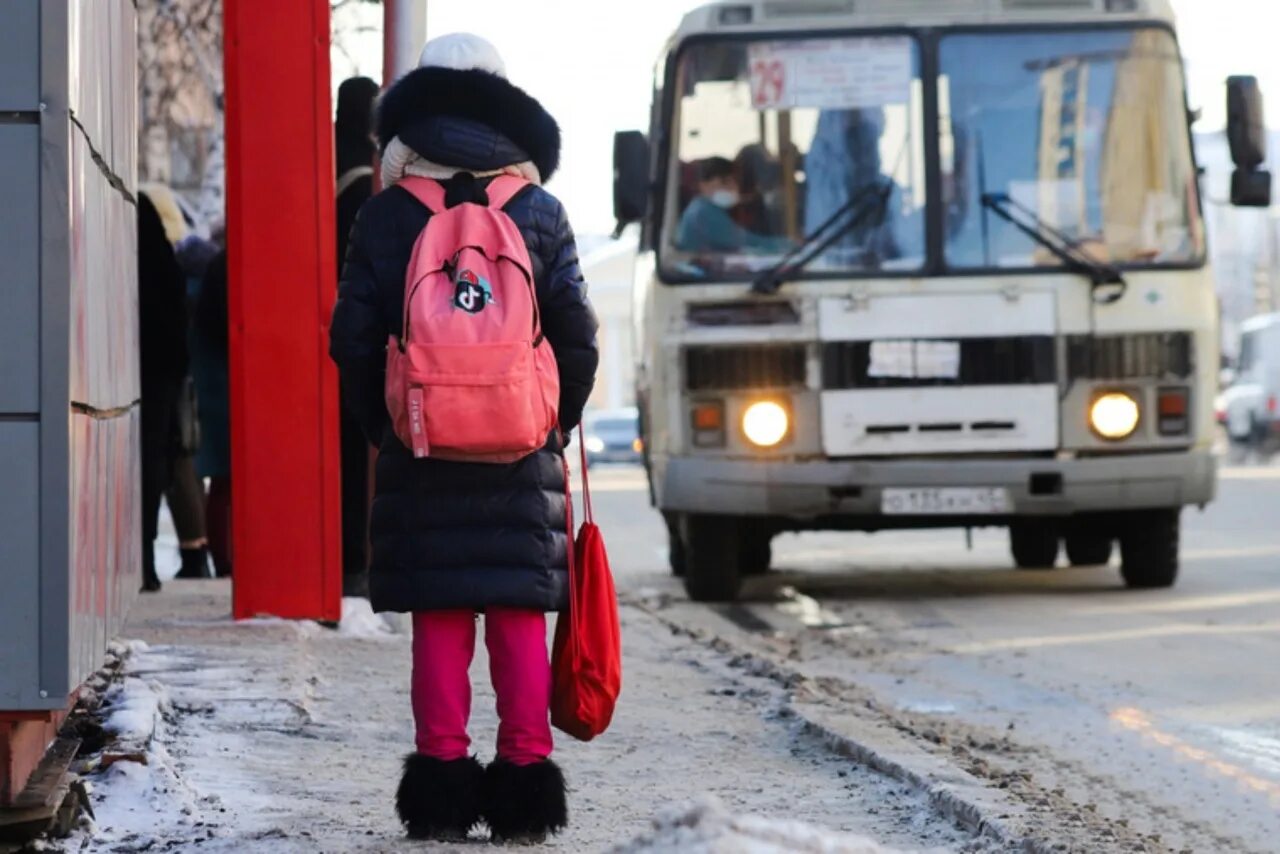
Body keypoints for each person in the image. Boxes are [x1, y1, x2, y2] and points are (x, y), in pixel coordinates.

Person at [329, 33, 598, 842]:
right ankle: (523, 780)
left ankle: (441, 784)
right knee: (519, 613)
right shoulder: (540, 212)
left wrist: (390, 425)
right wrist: (549, 423)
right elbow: (578, 335)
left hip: (422, 444)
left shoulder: (385, 213)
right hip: (522, 449)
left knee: (441, 617)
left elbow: (350, 337)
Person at [334, 76, 380, 598]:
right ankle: (356, 559)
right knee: (361, 453)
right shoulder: (369, 179)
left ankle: (345, 556)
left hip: (331, 327)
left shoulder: (325, 161)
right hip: (364, 330)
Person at [137, 193, 190, 592]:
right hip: (161, 382)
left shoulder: (123, 265)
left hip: (134, 375)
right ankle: (146, 561)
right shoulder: (167, 266)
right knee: (154, 467)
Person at [193, 249, 232, 578]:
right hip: (227, 386)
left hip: (218, 385)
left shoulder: (220, 264)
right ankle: (225, 559)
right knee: (225, 479)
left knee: (222, 480)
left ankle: (224, 557)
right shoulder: (230, 265)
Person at [676, 156, 790, 254]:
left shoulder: (704, 208)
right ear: (703, 185)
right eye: (725, 182)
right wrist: (791, 244)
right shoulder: (703, 213)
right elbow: (747, 242)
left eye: (734, 181)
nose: (733, 187)